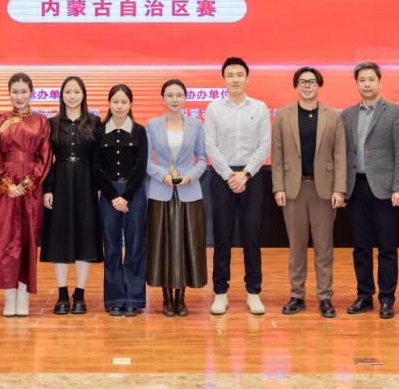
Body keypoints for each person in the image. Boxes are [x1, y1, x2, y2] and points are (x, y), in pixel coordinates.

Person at [272, 67, 346, 319]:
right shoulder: (283, 115)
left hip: (323, 190)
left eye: (311, 82)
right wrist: (278, 187)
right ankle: (297, 296)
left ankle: (325, 297)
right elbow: (277, 154)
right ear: (296, 86)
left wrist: (339, 189)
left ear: (319, 85)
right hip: (293, 190)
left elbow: (340, 155)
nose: (307, 86)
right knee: (297, 247)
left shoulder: (333, 116)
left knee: (324, 247)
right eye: (302, 82)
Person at [341, 62, 399, 319]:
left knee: (387, 248)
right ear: (356, 84)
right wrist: (341, 188)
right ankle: (364, 296)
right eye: (362, 80)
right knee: (360, 246)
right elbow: (343, 154)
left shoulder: (394, 112)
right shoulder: (347, 115)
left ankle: (387, 299)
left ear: (379, 82)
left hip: (385, 190)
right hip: (356, 188)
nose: (367, 84)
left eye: (371, 79)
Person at [0, 72, 52, 317]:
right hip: (5, 189)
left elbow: (45, 157)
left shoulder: (41, 121)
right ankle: (9, 295)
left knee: (27, 240)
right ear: (9, 93)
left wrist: (29, 183)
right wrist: (7, 184)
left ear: (31, 92)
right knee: (5, 240)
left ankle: (23, 295)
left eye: (23, 92)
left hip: (31, 187)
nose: (19, 96)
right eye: (15, 92)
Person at [204, 57, 271, 316]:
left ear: (247, 78)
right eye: (230, 75)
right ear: (224, 79)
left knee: (251, 236)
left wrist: (245, 174)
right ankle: (220, 293)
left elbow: (264, 145)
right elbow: (210, 145)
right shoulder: (213, 109)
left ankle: (253, 292)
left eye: (239, 74)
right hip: (222, 177)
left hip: (251, 176)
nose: (235, 79)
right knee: (222, 236)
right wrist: (229, 175)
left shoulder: (260, 107)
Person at [145, 78, 208, 316]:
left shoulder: (196, 125)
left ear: (185, 98)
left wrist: (190, 177)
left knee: (186, 244)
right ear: (163, 98)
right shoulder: (152, 125)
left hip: (188, 192)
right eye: (170, 95)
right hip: (160, 191)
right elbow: (145, 160)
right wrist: (161, 175)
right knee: (161, 244)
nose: (174, 99)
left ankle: (181, 297)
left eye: (179, 95)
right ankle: (166, 296)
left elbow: (202, 159)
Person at [41, 76, 102, 315]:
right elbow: (47, 160)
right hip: (61, 183)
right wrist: (48, 189)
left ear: (83, 95)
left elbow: (98, 159)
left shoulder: (94, 122)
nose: (72, 96)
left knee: (85, 238)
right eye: (68, 91)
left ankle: (79, 295)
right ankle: (62, 295)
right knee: (60, 238)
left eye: (77, 91)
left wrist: (99, 188)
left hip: (87, 184)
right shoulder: (52, 123)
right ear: (62, 95)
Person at [92, 84, 148, 316]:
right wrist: (114, 196)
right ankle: (114, 298)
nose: (119, 106)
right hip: (109, 194)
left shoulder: (139, 131)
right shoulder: (99, 132)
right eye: (115, 101)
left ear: (130, 104)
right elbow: (96, 168)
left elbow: (141, 166)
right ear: (109, 103)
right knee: (112, 246)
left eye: (124, 102)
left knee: (135, 246)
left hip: (134, 194)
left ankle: (134, 298)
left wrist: (126, 196)